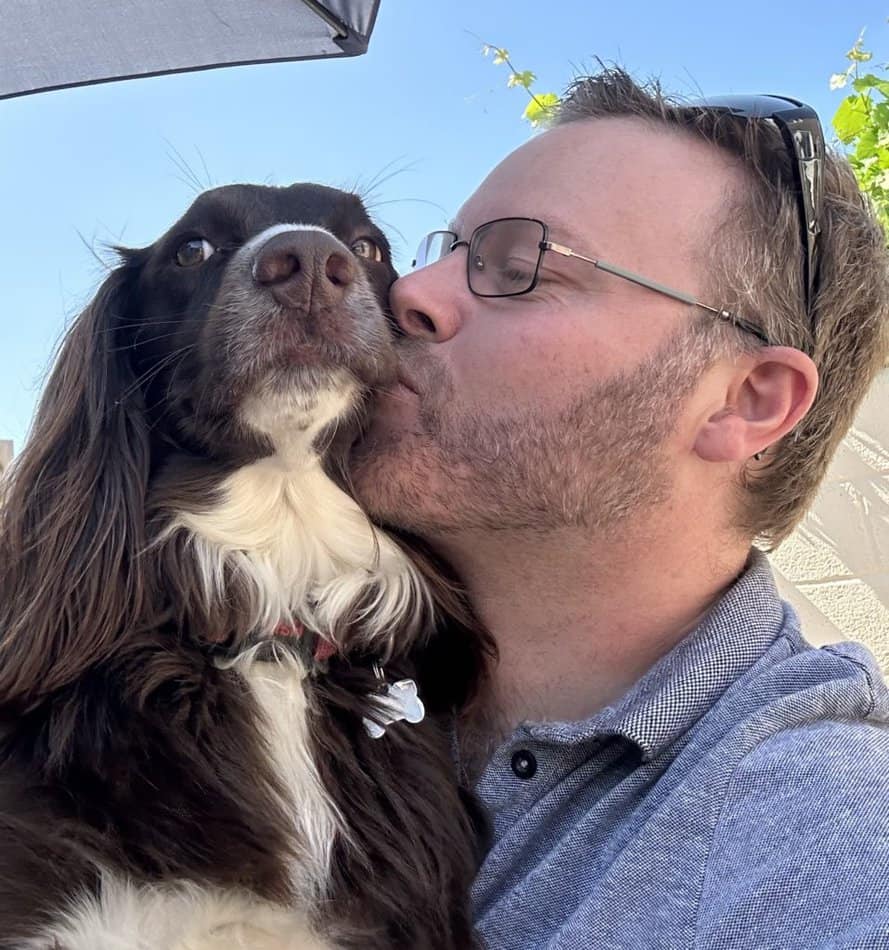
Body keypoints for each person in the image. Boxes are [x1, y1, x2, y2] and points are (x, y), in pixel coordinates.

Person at [349, 67, 889, 949]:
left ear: (744, 401)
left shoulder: (814, 853)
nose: (408, 293)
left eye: (516, 267)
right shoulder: (259, 667)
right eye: (443, 250)